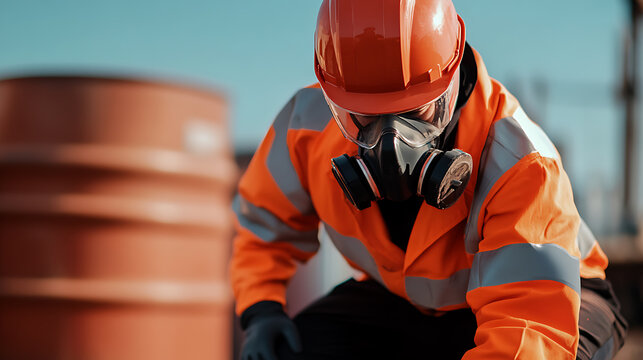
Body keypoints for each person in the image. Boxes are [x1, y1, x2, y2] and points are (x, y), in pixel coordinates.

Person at [230, 0, 628, 359]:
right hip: (407, 302)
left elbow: (526, 334)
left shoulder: (520, 163)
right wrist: (261, 310)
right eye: (365, 118)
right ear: (334, 98)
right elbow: (264, 228)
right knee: (301, 348)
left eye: (416, 113)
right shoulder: (304, 129)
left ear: (452, 80)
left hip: (555, 298)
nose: (390, 144)